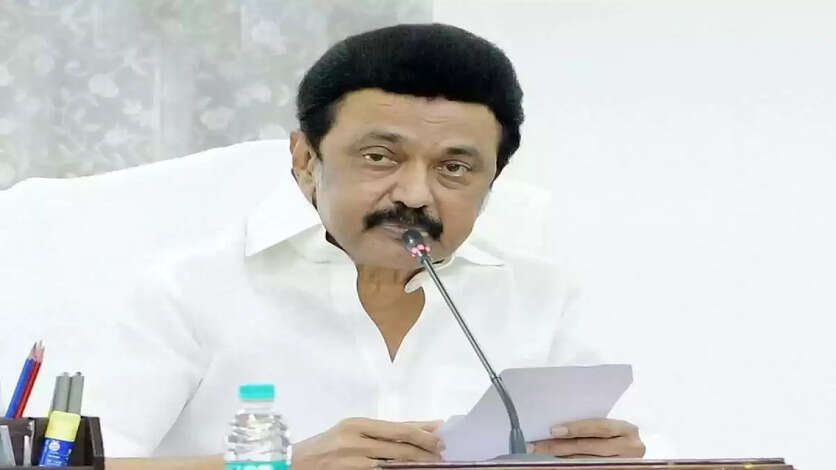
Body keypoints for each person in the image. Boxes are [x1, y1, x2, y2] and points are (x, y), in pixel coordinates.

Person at [105, 23, 646, 470]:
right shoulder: (188, 289)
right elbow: (79, 462)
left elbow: (650, 448)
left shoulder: (544, 298)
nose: (415, 195)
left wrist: (617, 459)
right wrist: (282, 466)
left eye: (454, 168)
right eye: (380, 157)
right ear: (305, 160)